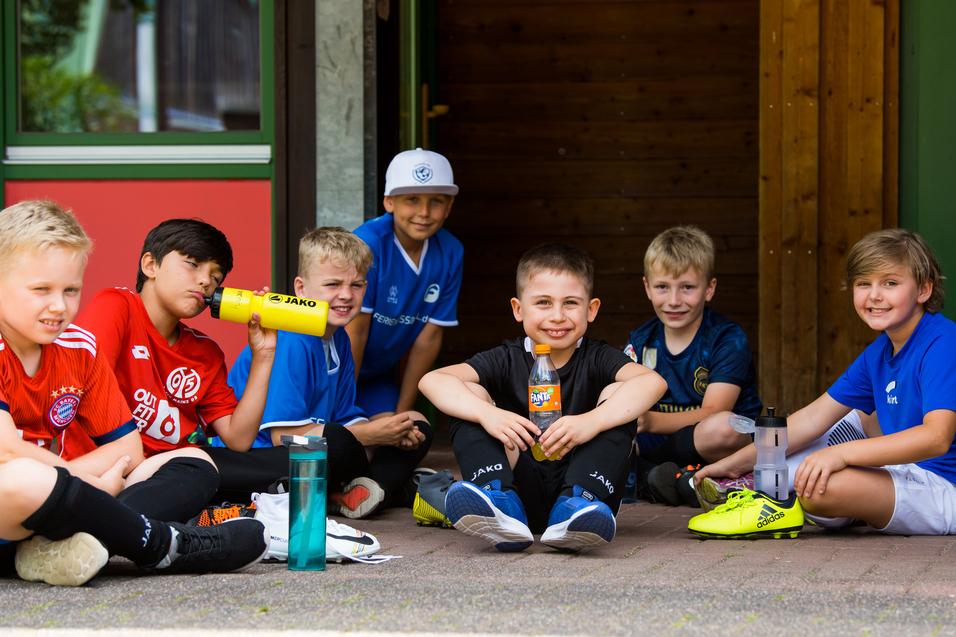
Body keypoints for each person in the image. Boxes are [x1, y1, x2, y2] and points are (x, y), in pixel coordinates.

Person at [0, 200, 268, 586]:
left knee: (194, 460)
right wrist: (88, 483)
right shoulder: (115, 309)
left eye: (71, 290)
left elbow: (128, 449)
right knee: (22, 476)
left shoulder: (78, 347)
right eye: (40, 290)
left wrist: (80, 484)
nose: (58, 306)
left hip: (45, 510)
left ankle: (65, 548)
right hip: (26, 497)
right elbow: (7, 451)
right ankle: (163, 544)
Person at [692, 228, 956, 537]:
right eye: (863, 283)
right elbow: (812, 419)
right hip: (905, 474)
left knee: (819, 487)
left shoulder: (943, 342)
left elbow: (936, 438)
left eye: (890, 283)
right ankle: (753, 485)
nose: (874, 295)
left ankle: (776, 499)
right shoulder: (881, 351)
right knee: (842, 424)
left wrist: (841, 455)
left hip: (944, 488)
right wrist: (736, 463)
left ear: (924, 290)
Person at [419, 243, 667, 552]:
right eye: (543, 303)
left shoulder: (598, 357)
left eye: (571, 303)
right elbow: (432, 380)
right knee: (467, 394)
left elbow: (653, 382)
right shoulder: (506, 358)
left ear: (591, 310)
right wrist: (488, 414)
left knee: (621, 393)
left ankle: (576, 506)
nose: (557, 316)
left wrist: (592, 421)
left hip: (583, 494)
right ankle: (498, 503)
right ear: (518, 309)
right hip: (517, 489)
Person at [228, 227, 433, 518]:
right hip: (265, 457)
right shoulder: (291, 338)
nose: (346, 295)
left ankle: (366, 492)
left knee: (416, 421)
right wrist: (373, 435)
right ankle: (388, 488)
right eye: (333, 284)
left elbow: (345, 415)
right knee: (337, 442)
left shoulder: (339, 337)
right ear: (301, 289)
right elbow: (282, 436)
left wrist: (392, 431)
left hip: (324, 445)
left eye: (357, 285)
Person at [77, 218, 282, 505]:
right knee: (197, 468)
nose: (206, 282)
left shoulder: (205, 351)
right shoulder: (115, 306)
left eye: (216, 277)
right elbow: (83, 392)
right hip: (114, 469)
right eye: (192, 264)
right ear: (151, 265)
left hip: (179, 470)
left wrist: (263, 354)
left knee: (312, 455)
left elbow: (238, 440)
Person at [624, 226, 761, 505]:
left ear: (709, 289)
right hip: (658, 443)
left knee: (724, 428)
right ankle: (678, 480)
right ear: (647, 287)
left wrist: (650, 421)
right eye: (662, 287)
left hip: (709, 442)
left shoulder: (726, 338)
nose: (674, 301)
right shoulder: (641, 339)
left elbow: (715, 411)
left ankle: (655, 477)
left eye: (687, 287)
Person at [347, 148, 463, 418]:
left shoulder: (450, 251)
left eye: (436, 201)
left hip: (376, 377)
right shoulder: (368, 243)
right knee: (348, 436)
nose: (424, 212)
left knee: (399, 431)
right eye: (412, 199)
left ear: (449, 207)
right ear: (389, 202)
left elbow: (428, 339)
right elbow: (355, 332)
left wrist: (403, 411)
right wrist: (344, 408)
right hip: (334, 372)